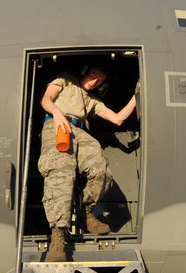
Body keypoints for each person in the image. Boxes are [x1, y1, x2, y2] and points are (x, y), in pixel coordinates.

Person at [38, 65, 137, 262]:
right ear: (85, 72)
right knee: (61, 174)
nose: (94, 82)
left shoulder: (92, 100)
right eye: (92, 76)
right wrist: (57, 113)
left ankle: (86, 211)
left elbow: (117, 119)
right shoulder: (65, 78)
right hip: (57, 124)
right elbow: (46, 100)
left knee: (102, 170)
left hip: (79, 131)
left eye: (99, 80)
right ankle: (58, 240)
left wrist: (137, 96)